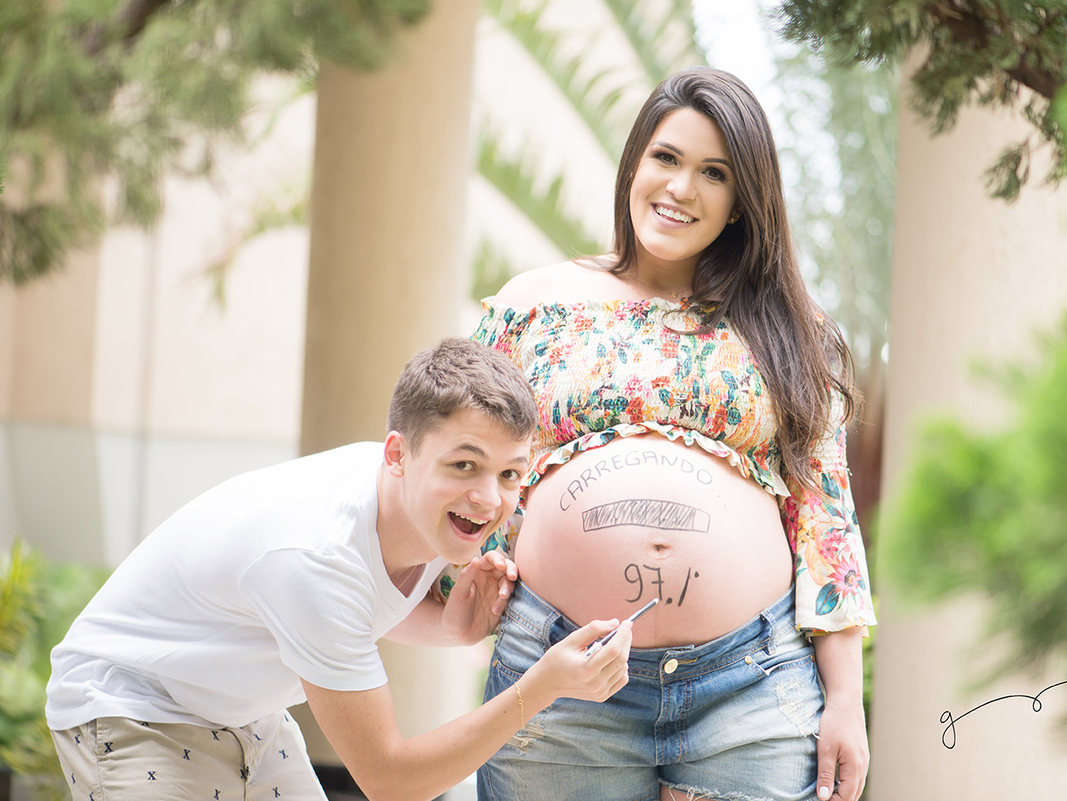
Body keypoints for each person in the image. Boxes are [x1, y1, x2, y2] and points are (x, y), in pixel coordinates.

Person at [471, 67, 877, 801]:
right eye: (666, 157)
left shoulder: (789, 327)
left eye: (714, 173)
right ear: (634, 164)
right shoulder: (532, 304)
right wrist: (459, 591)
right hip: (560, 676)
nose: (681, 188)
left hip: (750, 688)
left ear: (743, 201)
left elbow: (825, 515)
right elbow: (469, 463)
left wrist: (845, 700)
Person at [44, 338, 634, 801]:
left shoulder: (426, 510)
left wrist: (447, 628)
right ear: (398, 454)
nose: (488, 498)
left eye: (509, 473)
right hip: (135, 705)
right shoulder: (317, 556)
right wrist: (544, 687)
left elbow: (355, 607)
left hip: (243, 712)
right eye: (464, 465)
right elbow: (390, 781)